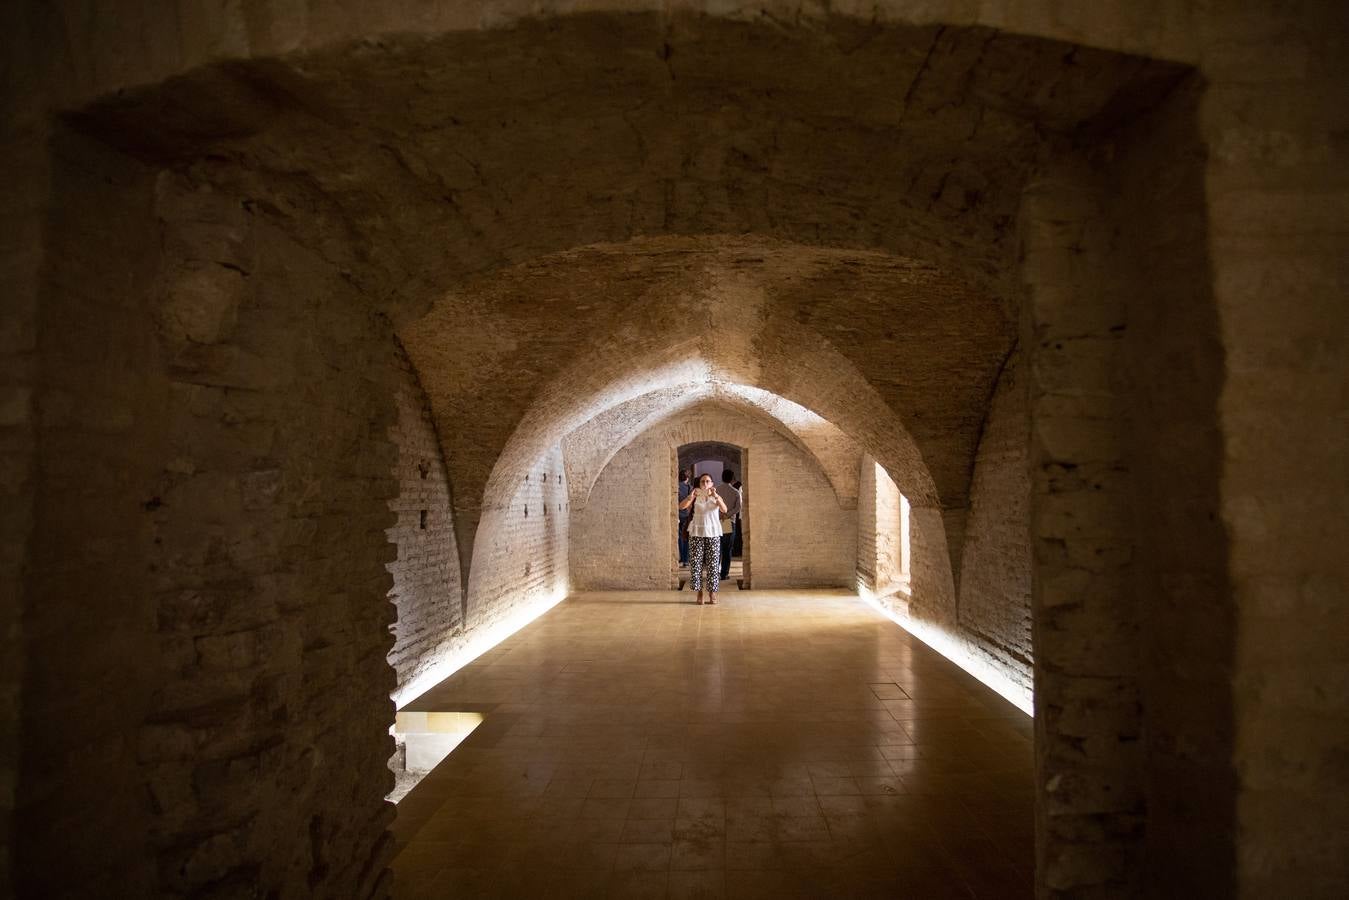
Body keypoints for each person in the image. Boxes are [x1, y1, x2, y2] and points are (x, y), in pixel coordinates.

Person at [679, 473, 727, 604]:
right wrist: (690, 496)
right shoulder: (695, 496)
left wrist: (716, 496)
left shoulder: (716, 496)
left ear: (712, 484)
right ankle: (699, 593)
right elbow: (681, 506)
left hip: (713, 533)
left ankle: (712, 593)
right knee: (696, 565)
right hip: (697, 532)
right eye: (702, 481)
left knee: (713, 565)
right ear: (699, 484)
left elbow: (724, 509)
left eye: (708, 481)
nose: (705, 484)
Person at [716, 470, 742, 581]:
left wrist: (720, 514)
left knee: (717, 548)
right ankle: (724, 574)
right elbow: (738, 508)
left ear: (722, 477)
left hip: (717, 521)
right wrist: (727, 515)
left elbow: (712, 504)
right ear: (732, 479)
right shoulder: (735, 491)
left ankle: (715, 572)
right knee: (727, 548)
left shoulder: (716, 490)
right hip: (729, 521)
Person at [677, 470, 692, 565]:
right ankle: (686, 560)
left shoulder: (676, 487)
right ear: (687, 477)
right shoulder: (690, 488)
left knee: (679, 537)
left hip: (677, 513)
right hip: (686, 514)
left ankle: (681, 558)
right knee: (686, 537)